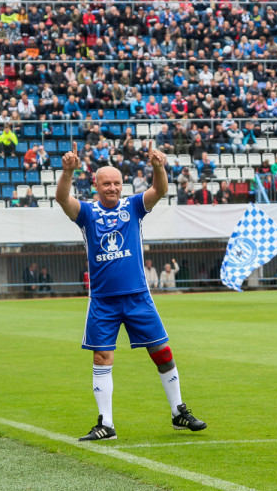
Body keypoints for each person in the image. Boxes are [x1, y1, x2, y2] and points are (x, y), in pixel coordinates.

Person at [55, 142, 206, 441]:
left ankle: (179, 412)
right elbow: (62, 198)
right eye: (106, 183)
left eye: (116, 183)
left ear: (122, 186)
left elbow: (159, 190)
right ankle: (106, 424)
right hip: (103, 301)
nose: (112, 188)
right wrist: (67, 172)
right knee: (102, 359)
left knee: (162, 353)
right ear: (95, 185)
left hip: (138, 296)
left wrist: (158, 167)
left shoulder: (133, 206)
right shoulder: (87, 212)